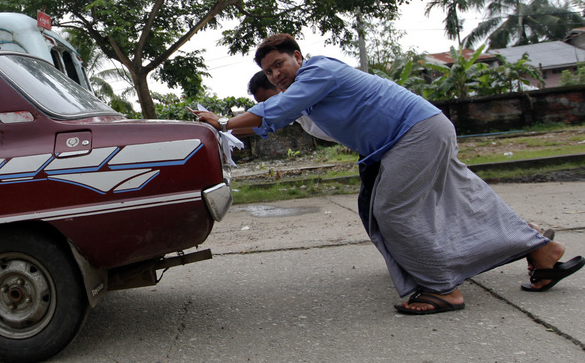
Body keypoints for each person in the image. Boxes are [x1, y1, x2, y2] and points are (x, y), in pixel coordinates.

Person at [195, 33, 582, 315]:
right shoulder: (306, 96)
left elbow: (277, 109)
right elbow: (269, 118)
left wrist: (223, 121)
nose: (276, 74)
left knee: (392, 211)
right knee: (465, 197)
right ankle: (543, 252)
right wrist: (225, 128)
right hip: (416, 133)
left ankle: (442, 289)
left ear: (298, 56)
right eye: (268, 70)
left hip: (414, 133)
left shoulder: (320, 68)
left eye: (279, 64)